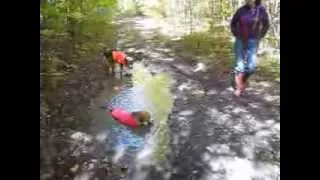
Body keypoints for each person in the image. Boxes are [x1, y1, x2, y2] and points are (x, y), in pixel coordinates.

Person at [230, 0, 270, 96]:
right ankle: (239, 88)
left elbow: (266, 24)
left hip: (252, 41)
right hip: (240, 40)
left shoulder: (261, 10)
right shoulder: (241, 10)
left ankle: (242, 80)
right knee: (239, 65)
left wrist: (260, 36)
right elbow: (233, 23)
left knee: (251, 67)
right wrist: (236, 34)